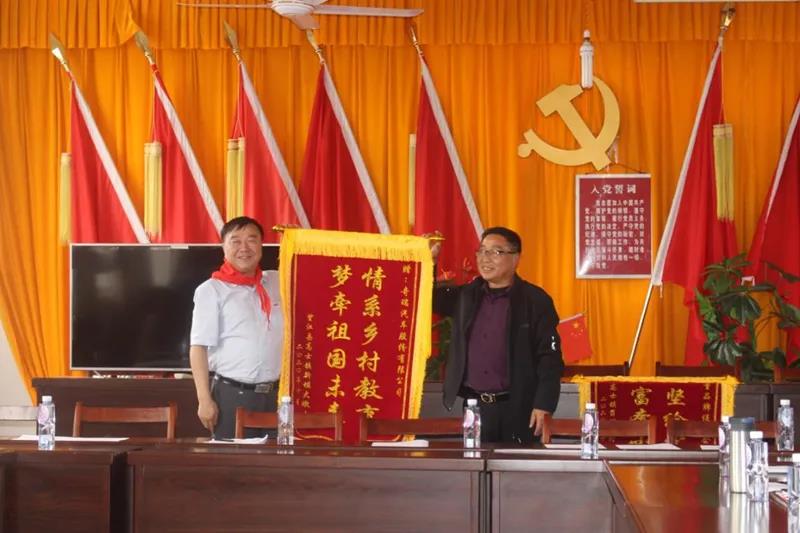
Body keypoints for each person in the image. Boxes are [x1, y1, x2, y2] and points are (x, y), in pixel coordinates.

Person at [431, 226, 564, 444]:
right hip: (475, 407)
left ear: (516, 258)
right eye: (482, 251)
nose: (485, 258)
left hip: (519, 408)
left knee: (516, 465)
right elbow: (429, 298)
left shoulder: (535, 301)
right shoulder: (466, 295)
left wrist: (544, 404)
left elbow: (549, 359)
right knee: (473, 463)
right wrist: (430, 262)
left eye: (496, 252)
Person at [189, 216, 283, 438]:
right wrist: (204, 399)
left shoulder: (277, 281)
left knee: (279, 459)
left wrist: (297, 239)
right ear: (224, 247)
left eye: (252, 240)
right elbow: (198, 347)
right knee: (234, 459)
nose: (244, 248)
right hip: (232, 396)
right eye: (236, 241)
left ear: (261, 245)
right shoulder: (211, 290)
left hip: (277, 397)